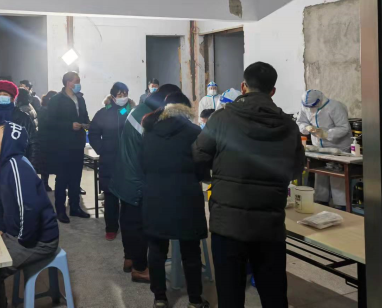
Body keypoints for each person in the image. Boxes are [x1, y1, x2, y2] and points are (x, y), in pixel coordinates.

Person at [193, 62, 305, 308]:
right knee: (274, 295)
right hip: (269, 225)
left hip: (228, 224)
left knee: (230, 296)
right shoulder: (288, 125)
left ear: (243, 87)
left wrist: (214, 178)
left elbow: (199, 156)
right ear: (272, 91)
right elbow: (296, 169)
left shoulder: (221, 118)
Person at [142, 92, 210, 308]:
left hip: (155, 196)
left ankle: (160, 299)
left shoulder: (149, 131)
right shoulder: (195, 132)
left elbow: (142, 164)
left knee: (156, 250)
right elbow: (203, 169)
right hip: (186, 198)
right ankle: (195, 300)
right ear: (186, 109)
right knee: (191, 251)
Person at [110, 83, 180, 283]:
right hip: (137, 180)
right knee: (139, 226)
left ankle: (130, 259)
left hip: (125, 176)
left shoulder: (139, 109)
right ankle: (140, 268)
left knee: (128, 221)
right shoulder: (150, 118)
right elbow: (156, 154)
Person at [0, 120, 59, 273]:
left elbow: (29, 208)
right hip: (16, 233)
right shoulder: (4, 165)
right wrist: (0, 228)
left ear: (9, 141)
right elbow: (1, 200)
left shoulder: (17, 166)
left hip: (39, 241)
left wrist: (22, 240)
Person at [0, 80, 40, 218]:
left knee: (18, 202)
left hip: (17, 167)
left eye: (5, 94)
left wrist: (32, 168)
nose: (1, 96)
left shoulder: (22, 118)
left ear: (13, 98)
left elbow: (33, 143)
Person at [88, 82, 135, 241]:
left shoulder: (131, 112)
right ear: (113, 96)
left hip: (128, 160)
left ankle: (128, 227)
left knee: (128, 196)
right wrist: (102, 149)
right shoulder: (104, 113)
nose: (123, 97)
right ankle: (111, 228)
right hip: (109, 161)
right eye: (119, 94)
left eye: (125, 94)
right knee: (110, 196)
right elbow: (93, 133)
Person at [47, 71, 91, 223]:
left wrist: (86, 124)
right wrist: (69, 125)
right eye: (76, 81)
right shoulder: (56, 100)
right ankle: (60, 210)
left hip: (78, 143)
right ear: (68, 82)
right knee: (62, 178)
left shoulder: (80, 98)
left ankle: (75, 207)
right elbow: (50, 122)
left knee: (76, 177)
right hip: (62, 145)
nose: (79, 84)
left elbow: (85, 116)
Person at [297, 89, 352, 209]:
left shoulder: (335, 107)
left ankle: (341, 205)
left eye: (312, 106)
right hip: (318, 147)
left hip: (337, 146)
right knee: (320, 174)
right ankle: (321, 202)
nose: (310, 109)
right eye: (308, 107)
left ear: (319, 100)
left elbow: (344, 128)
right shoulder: (305, 106)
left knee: (337, 176)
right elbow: (300, 122)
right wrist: (307, 127)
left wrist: (326, 134)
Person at [37, 91, 58, 192]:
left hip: (45, 140)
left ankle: (45, 183)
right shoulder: (46, 110)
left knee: (46, 164)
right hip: (47, 141)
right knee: (46, 164)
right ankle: (45, 184)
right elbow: (49, 124)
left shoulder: (44, 109)